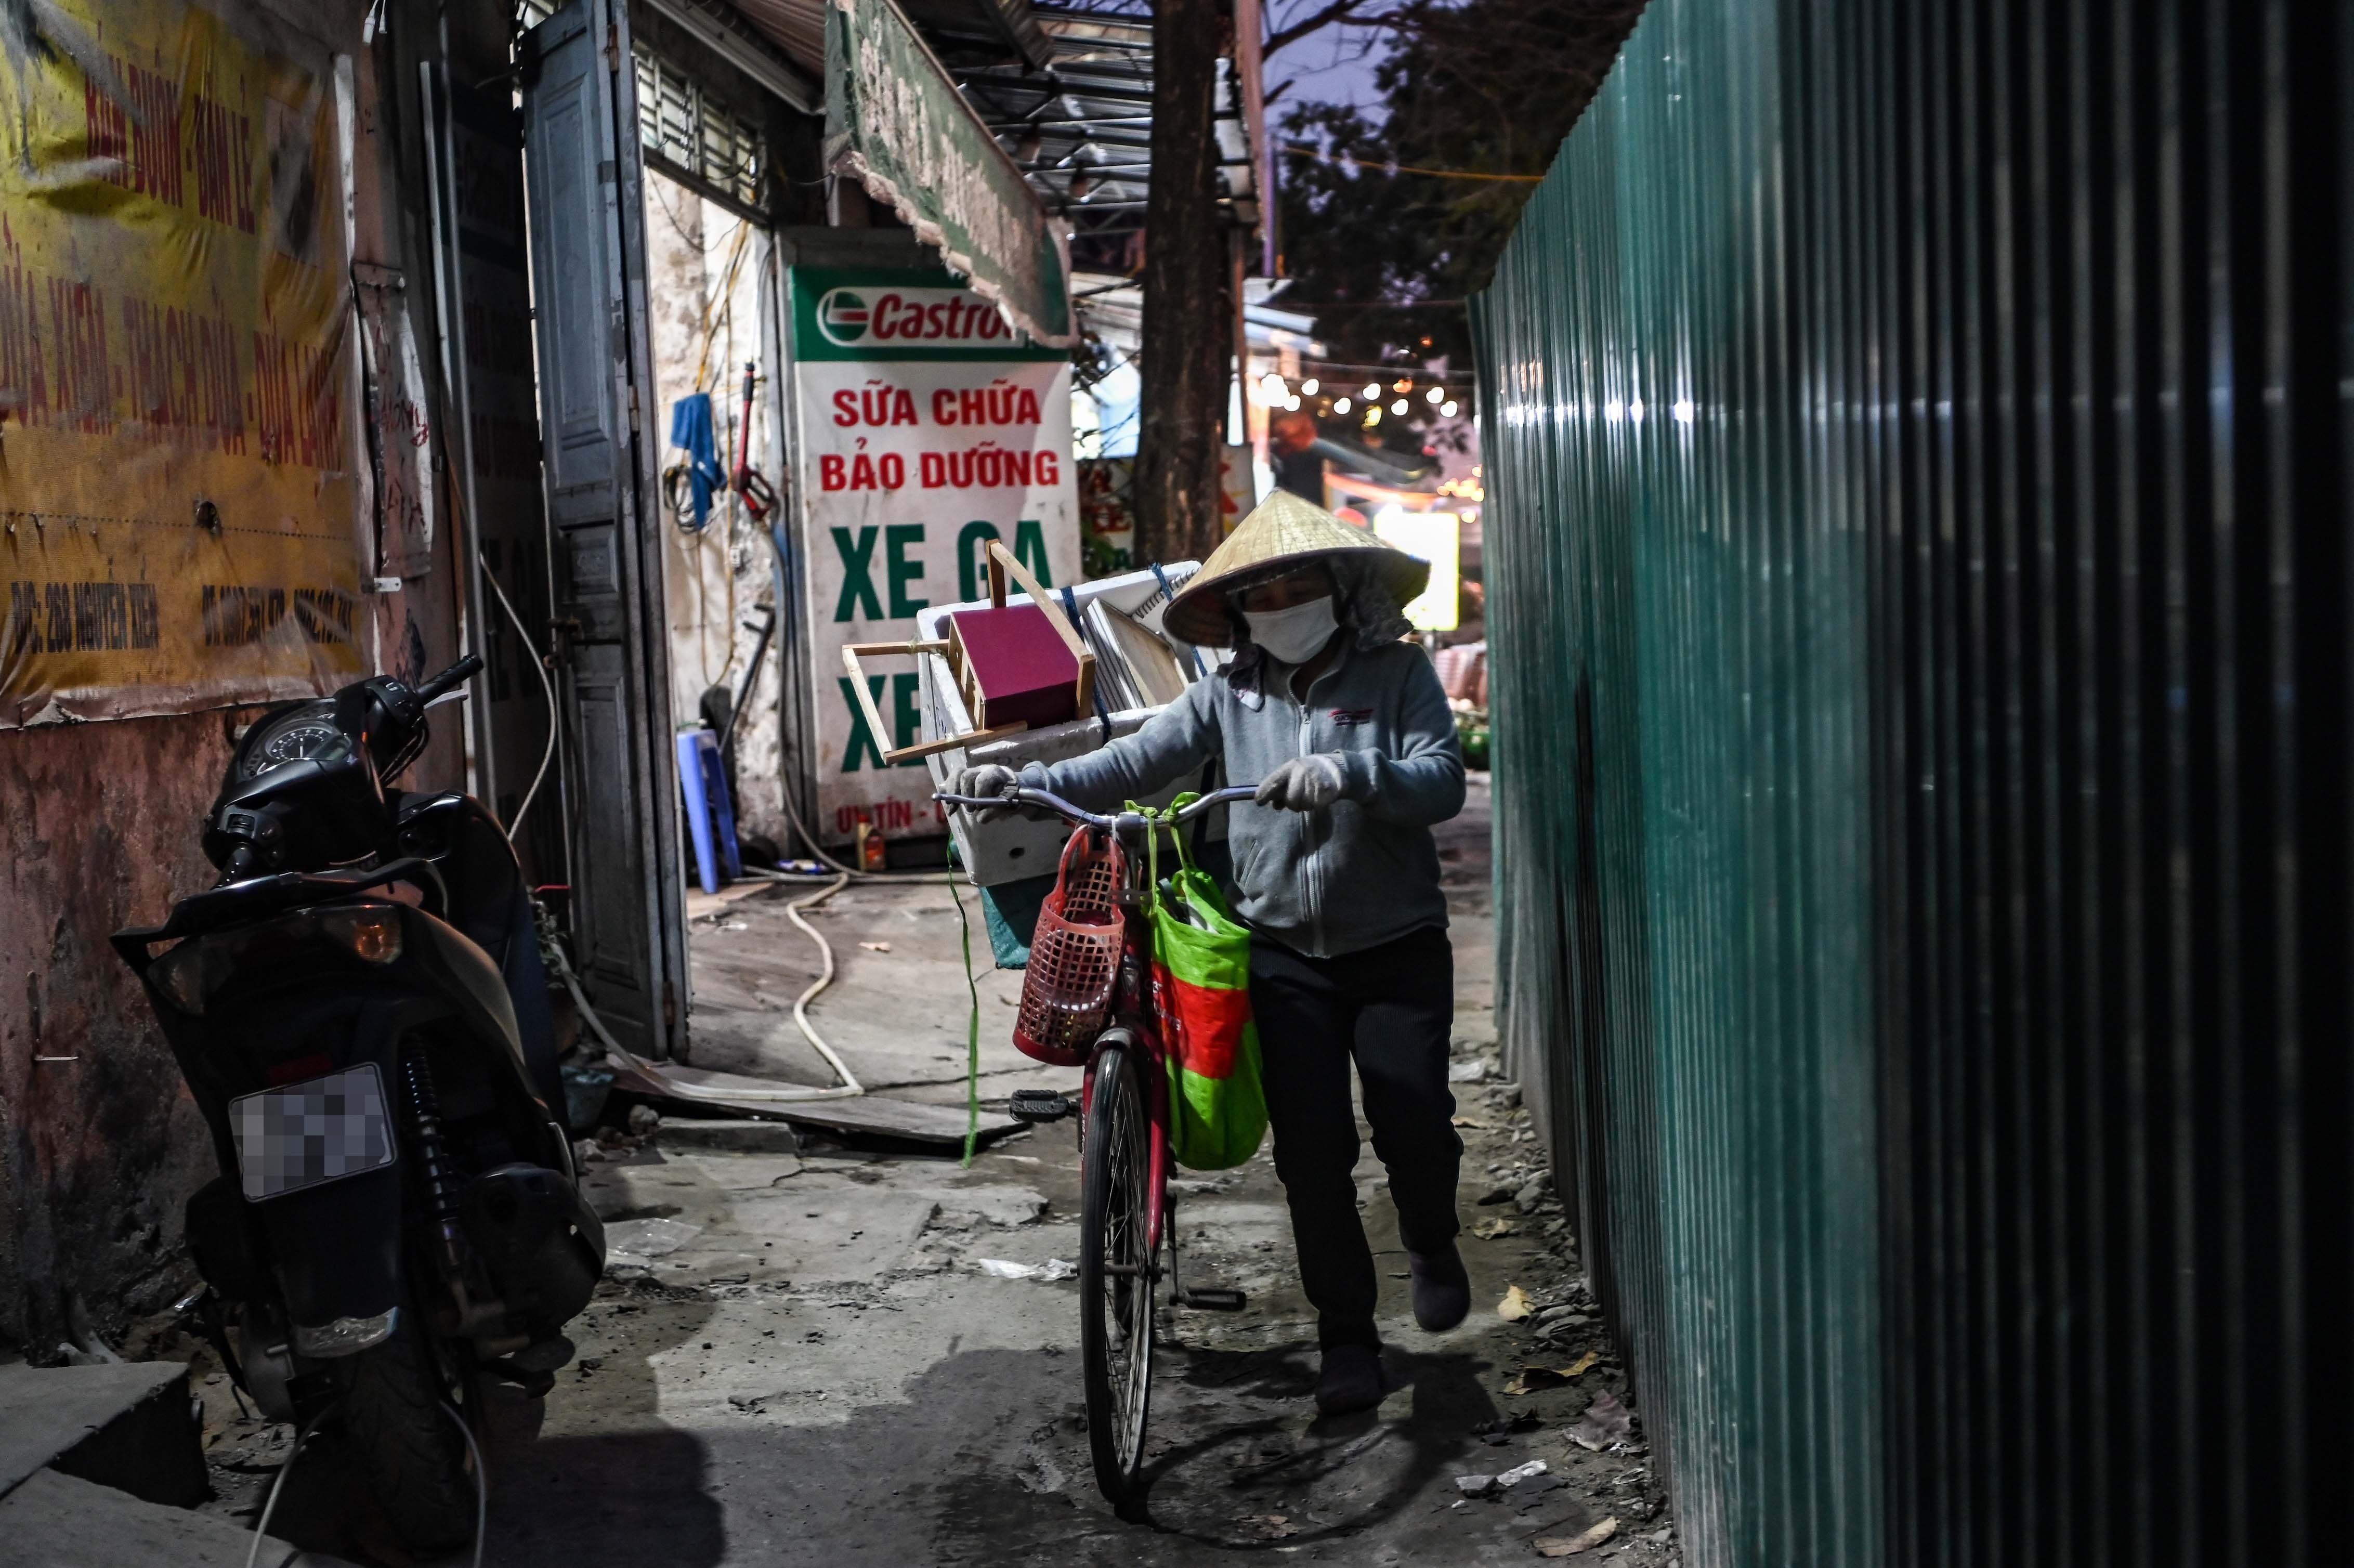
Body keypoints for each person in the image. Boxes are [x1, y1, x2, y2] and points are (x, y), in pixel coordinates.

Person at [954, 491, 1469, 1416]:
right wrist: (1023, 782)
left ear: (1341, 587)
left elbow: (1439, 782)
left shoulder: (1398, 676)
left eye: (1299, 582)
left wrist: (1353, 774)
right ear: (1237, 614)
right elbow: (1128, 763)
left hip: (1396, 947)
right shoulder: (1223, 698)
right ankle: (1346, 1337)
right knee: (1313, 1158)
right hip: (1280, 953)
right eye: (1261, 593)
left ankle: (1433, 1238)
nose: (1282, 602)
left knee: (1415, 1125)